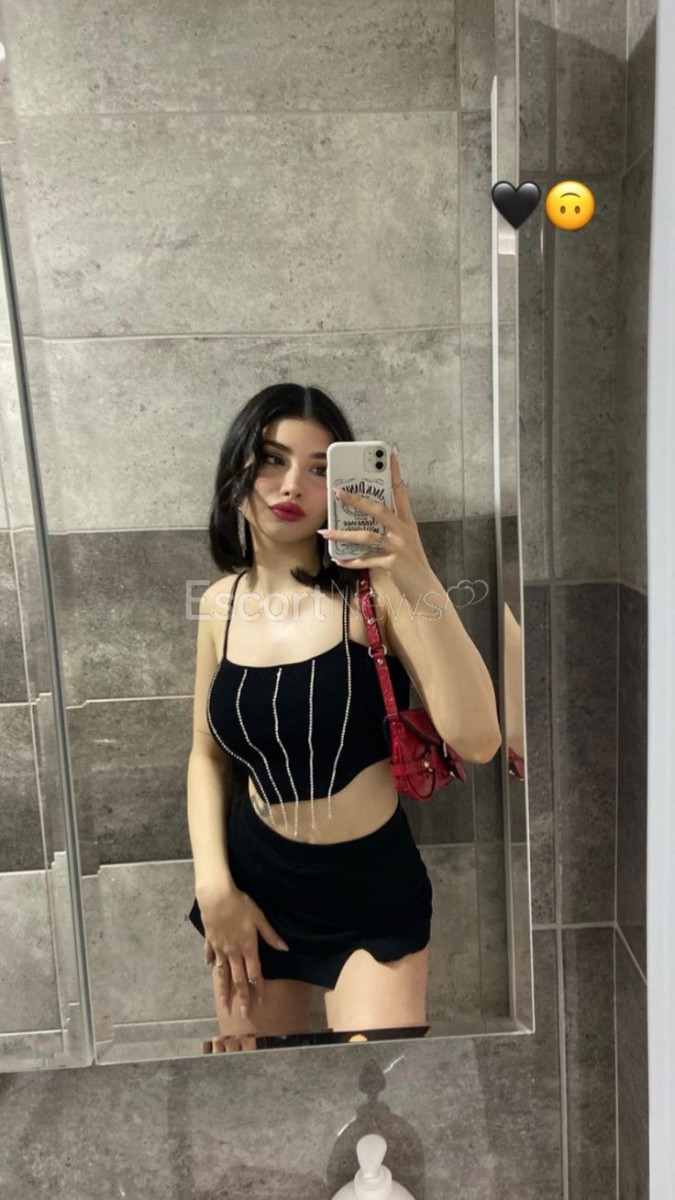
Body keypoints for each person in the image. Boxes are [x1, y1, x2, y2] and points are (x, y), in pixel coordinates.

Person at [186, 382, 501, 1045]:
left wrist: (414, 569)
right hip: (253, 885)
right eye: (271, 459)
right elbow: (207, 755)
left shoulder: (374, 595)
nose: (291, 484)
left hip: (369, 891)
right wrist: (214, 887)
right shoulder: (219, 604)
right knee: (261, 1092)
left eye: (319, 468)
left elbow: (477, 739)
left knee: (374, 1090)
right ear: (235, 470)